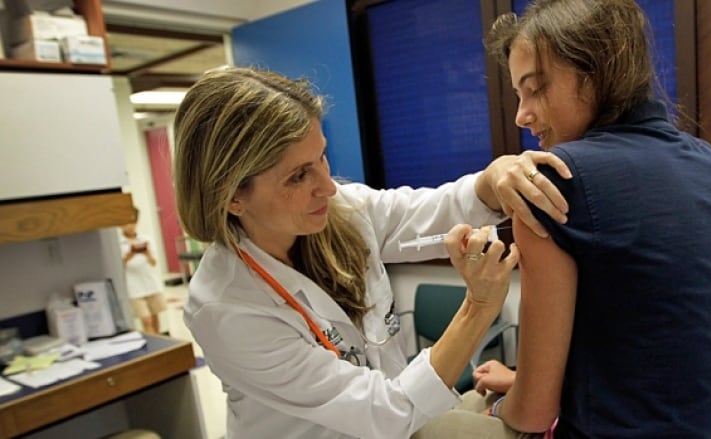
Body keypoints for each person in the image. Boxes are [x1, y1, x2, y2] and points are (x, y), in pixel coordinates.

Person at [172, 66, 571, 439]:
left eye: (321, 157)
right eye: (298, 175)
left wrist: (492, 179)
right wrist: (479, 306)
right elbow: (386, 412)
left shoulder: (337, 212)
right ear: (233, 197)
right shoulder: (226, 309)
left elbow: (427, 211)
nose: (328, 187)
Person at [418, 1, 711, 438]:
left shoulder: (553, 179)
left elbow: (534, 415)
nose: (521, 115)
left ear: (597, 72)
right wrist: (520, 381)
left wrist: (506, 401)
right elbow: (655, 350)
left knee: (430, 426)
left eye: (535, 89)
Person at [119, 207, 167, 335]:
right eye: (126, 223)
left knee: (155, 317)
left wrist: (147, 253)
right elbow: (119, 266)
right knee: (146, 320)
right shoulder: (118, 244)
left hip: (151, 283)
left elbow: (154, 262)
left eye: (133, 222)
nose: (130, 226)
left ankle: (160, 342)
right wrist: (129, 255)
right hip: (134, 287)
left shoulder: (146, 239)